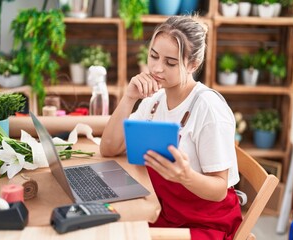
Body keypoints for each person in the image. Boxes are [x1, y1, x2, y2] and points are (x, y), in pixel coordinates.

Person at [100, 15, 242, 240]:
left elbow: (219, 190)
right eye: (154, 56)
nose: (157, 69)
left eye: (171, 62)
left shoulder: (209, 109)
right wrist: (129, 98)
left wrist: (186, 176)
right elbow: (109, 149)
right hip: (164, 208)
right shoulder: (154, 100)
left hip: (203, 222)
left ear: (193, 65)